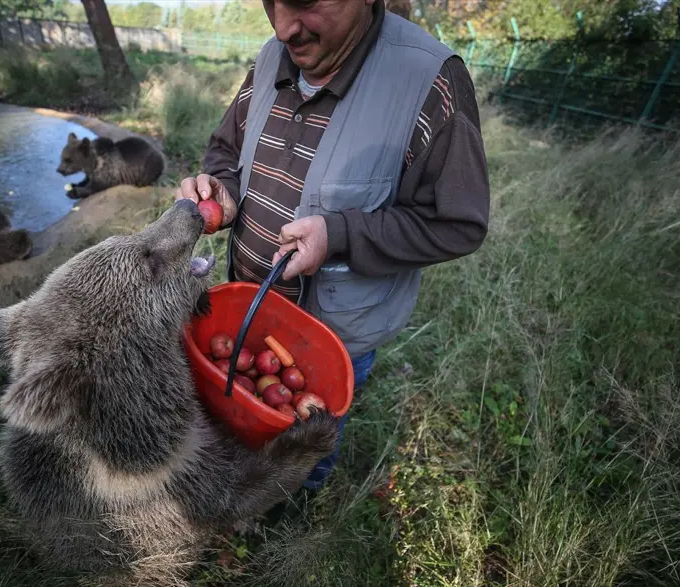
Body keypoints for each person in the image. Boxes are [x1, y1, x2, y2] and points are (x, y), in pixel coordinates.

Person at [175, 0, 490, 504]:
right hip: (244, 312)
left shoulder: (430, 81)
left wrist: (341, 234)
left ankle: (297, 509)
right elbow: (226, 150)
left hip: (334, 336)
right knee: (237, 424)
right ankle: (232, 498)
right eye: (270, 2)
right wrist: (222, 187)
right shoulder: (271, 56)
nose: (282, 27)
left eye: (303, 2)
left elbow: (457, 223)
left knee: (308, 447)